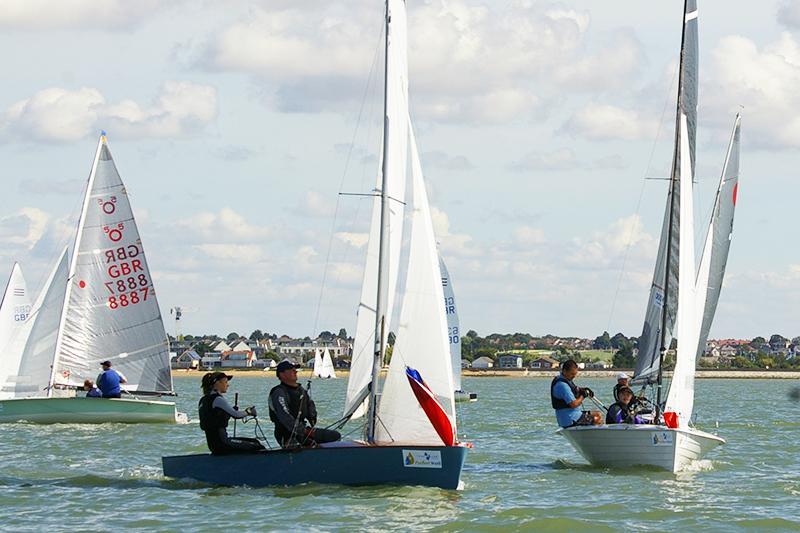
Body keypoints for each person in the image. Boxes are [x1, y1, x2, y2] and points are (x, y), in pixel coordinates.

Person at [268, 360, 341, 448]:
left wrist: (312, 418)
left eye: (295, 369)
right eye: (291, 370)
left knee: (335, 436)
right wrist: (304, 431)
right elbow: (284, 416)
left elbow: (310, 406)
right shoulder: (278, 392)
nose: (295, 371)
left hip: (304, 431)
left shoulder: (301, 390)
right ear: (282, 374)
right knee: (303, 445)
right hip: (286, 434)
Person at [198, 371, 265, 455]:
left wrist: (227, 413)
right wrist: (249, 411)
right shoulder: (218, 399)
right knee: (256, 445)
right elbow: (236, 415)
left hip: (213, 445)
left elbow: (214, 419)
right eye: (225, 382)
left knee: (254, 441)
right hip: (223, 443)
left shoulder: (203, 400)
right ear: (217, 383)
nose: (227, 385)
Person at [550, 359, 601, 428]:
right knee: (596, 418)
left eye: (575, 374)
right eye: (572, 374)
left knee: (597, 414)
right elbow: (574, 404)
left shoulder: (564, 379)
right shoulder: (562, 385)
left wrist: (583, 389)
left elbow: (573, 389)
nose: (573, 376)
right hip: (570, 419)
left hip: (574, 414)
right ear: (564, 371)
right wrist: (582, 396)